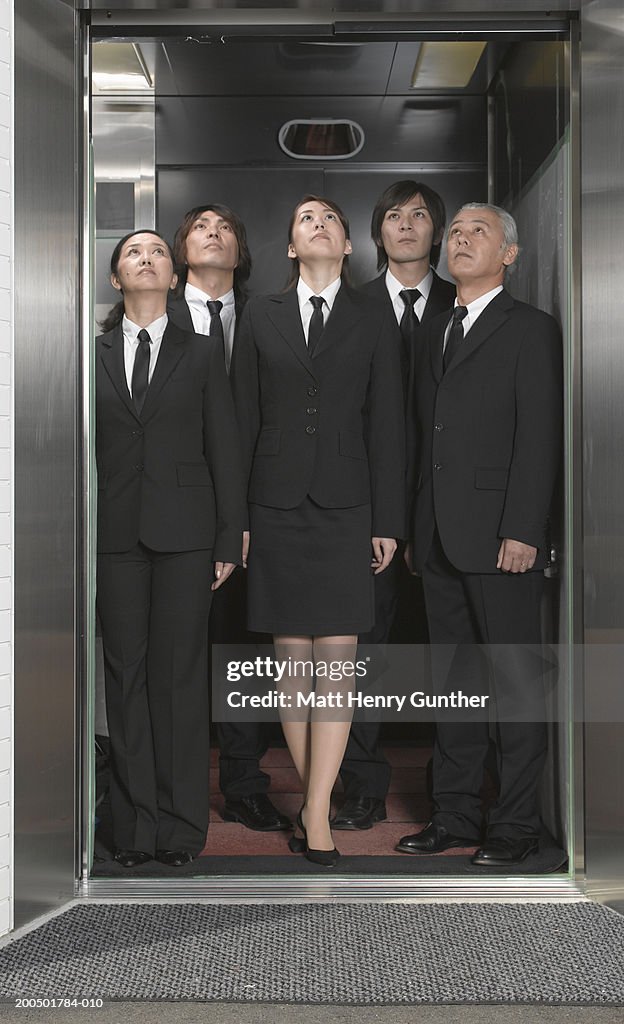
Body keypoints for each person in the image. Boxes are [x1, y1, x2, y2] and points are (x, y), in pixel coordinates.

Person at [231, 196, 405, 866]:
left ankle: (315, 809)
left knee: (335, 662)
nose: (320, 224)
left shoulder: (372, 314)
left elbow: (387, 421)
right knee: (291, 665)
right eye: (305, 219)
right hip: (272, 504)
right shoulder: (260, 313)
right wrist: (238, 520)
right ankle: (316, 800)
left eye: (330, 217)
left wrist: (386, 519)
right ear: (290, 248)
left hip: (346, 506)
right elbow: (243, 419)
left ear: (348, 245)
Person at [396, 203, 562, 867]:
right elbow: (423, 439)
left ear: (510, 255)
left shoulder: (531, 330)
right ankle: (456, 814)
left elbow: (538, 435)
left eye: (479, 232)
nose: (462, 240)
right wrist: (415, 527)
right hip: (438, 539)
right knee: (454, 684)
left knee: (516, 684)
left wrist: (525, 528)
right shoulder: (434, 329)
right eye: (456, 232)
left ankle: (516, 827)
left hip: (502, 542)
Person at [96, 229, 245, 868]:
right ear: (116, 278)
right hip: (114, 536)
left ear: (174, 273)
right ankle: (134, 825)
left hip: (188, 534)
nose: (147, 258)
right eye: (134, 252)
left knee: (179, 679)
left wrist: (228, 537)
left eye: (158, 251)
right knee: (125, 677)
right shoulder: (92, 352)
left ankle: (182, 826)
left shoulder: (203, 351)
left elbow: (226, 449)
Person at [333, 180, 455, 832]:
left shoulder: (465, 301)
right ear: (377, 231)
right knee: (365, 654)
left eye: (419, 216)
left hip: (450, 509)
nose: (406, 225)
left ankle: (454, 793)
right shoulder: (349, 308)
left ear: (437, 230)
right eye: (394, 216)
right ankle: (361, 785)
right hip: (367, 511)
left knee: (451, 651)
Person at [168, 204, 290, 835]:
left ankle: (244, 783)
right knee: (181, 653)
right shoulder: (150, 316)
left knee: (245, 652)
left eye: (225, 230)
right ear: (181, 249)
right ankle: (175, 792)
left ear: (241, 253)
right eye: (200, 227)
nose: (213, 235)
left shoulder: (270, 316)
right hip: (179, 512)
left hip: (264, 506)